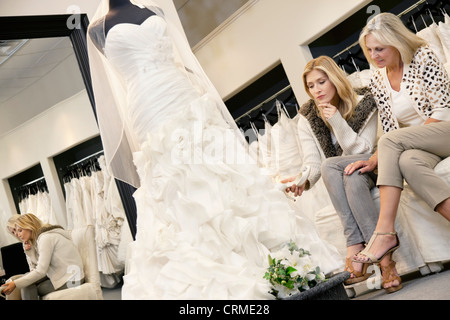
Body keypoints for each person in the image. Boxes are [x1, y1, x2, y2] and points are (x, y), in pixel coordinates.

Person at [87, 0, 343, 299]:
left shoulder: (155, 9)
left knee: (220, 167)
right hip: (147, 106)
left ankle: (282, 266)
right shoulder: (97, 28)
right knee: (176, 179)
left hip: (180, 90)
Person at [340, 12, 450, 293]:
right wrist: (375, 158)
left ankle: (384, 232)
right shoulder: (378, 80)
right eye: (369, 50)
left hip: (444, 129)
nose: (374, 55)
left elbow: (442, 108)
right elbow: (390, 128)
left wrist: (397, 142)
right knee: (409, 162)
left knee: (394, 145)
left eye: (380, 48)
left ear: (395, 42)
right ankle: (385, 233)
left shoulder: (423, 56)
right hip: (417, 147)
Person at [280, 56, 378, 286]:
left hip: (372, 166)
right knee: (349, 178)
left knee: (334, 166)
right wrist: (302, 180)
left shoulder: (365, 100)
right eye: (311, 86)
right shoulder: (308, 116)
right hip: (347, 178)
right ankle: (381, 256)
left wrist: (336, 119)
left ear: (334, 78)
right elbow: (312, 162)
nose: (316, 90)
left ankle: (353, 245)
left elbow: (362, 149)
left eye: (321, 82)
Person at [0, 213, 84, 300]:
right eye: (14, 232)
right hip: (61, 275)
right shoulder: (40, 239)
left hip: (72, 279)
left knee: (26, 285)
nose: (17, 234)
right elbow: (37, 267)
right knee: (24, 282)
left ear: (29, 226)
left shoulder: (45, 238)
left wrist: (15, 284)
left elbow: (41, 270)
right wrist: (30, 252)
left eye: (19, 230)